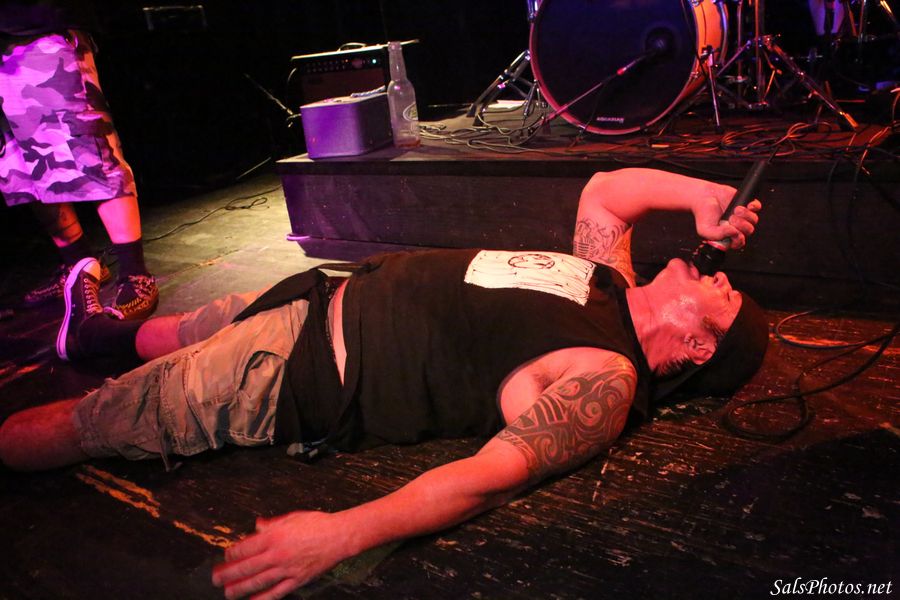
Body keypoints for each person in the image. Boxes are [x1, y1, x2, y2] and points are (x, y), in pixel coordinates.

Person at [0, 168, 766, 599]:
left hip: (283, 372)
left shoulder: (606, 376)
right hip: (314, 297)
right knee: (166, 332)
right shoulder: (610, 281)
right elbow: (604, 190)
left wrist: (341, 533)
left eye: (727, 296)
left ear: (698, 347)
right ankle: (91, 334)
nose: (719, 275)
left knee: (82, 424)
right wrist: (701, 194)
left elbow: (486, 478)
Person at [0, 0, 158, 319]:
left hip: (38, 29)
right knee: (24, 168)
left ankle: (135, 272)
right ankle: (80, 265)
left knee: (92, 155)